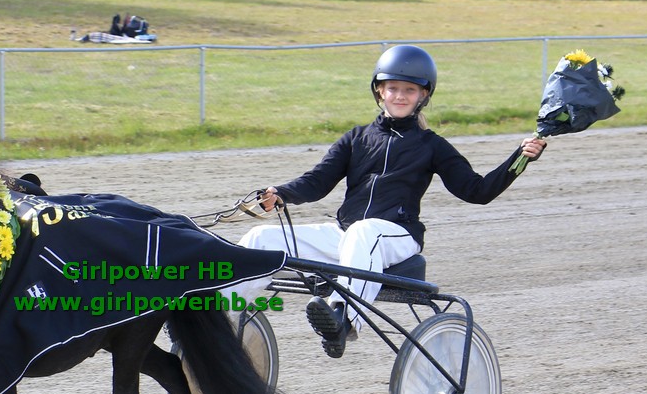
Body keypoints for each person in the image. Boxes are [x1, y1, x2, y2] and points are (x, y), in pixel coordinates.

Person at [233, 44, 547, 358]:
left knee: (364, 231)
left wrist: (519, 159)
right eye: (393, 88)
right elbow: (317, 181)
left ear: (423, 95)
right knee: (261, 238)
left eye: (409, 90)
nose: (399, 96)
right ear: (379, 91)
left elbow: (477, 191)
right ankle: (220, 318)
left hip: (398, 237)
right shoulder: (356, 138)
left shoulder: (432, 146)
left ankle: (342, 322)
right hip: (347, 237)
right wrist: (281, 193)